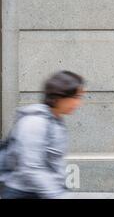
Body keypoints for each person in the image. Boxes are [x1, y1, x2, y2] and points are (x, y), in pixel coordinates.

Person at [0, 71, 85, 199]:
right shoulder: (35, 122)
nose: (78, 103)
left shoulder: (56, 120)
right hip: (24, 193)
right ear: (60, 96)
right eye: (75, 97)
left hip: (42, 192)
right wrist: (56, 194)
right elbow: (31, 167)